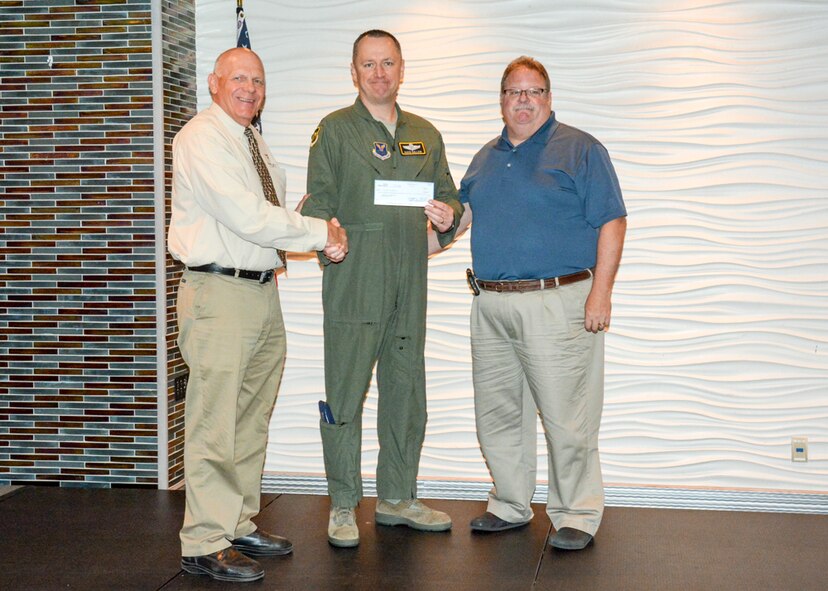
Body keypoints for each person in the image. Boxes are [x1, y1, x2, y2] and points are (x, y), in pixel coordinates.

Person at [168, 47, 348, 583]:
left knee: (249, 418)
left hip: (260, 291)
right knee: (214, 422)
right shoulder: (202, 138)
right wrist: (320, 234)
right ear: (214, 82)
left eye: (258, 81)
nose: (250, 88)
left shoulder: (251, 142)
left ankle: (237, 521)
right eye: (239, 78)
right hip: (219, 294)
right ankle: (203, 541)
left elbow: (273, 215)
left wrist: (319, 223)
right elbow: (247, 216)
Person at [451, 56, 626, 551]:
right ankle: (509, 503)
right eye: (514, 92)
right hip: (490, 304)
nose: (523, 101)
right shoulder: (485, 157)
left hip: (558, 303)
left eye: (534, 92)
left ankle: (577, 513)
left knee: (568, 416)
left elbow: (612, 221)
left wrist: (601, 291)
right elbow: (456, 221)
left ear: (549, 98)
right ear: (502, 99)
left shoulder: (580, 148)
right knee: (498, 413)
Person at [299, 29, 463, 548]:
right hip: (354, 278)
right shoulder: (334, 130)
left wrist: (446, 216)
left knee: (405, 391)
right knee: (345, 392)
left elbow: (450, 200)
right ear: (354, 72)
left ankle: (397, 497)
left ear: (401, 69)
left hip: (409, 282)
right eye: (368, 65)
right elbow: (317, 204)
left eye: (387, 63)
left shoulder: (425, 133)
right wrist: (327, 240)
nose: (378, 73)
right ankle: (344, 503)